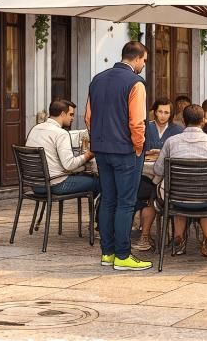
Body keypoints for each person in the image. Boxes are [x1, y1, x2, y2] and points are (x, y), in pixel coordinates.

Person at [85, 41, 152, 271]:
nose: (144, 64)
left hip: (101, 149)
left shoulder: (97, 79)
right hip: (125, 150)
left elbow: (88, 117)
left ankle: (108, 253)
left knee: (108, 199)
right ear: (137, 58)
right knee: (126, 202)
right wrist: (138, 147)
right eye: (144, 60)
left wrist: (98, 140)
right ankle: (123, 255)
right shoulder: (136, 83)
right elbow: (137, 122)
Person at [153, 104, 207, 258]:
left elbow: (158, 170)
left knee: (179, 192)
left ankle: (179, 238)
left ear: (183, 121)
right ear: (203, 121)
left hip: (177, 200)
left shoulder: (171, 142)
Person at [133, 98, 183, 252]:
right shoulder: (146, 128)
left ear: (171, 114)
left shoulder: (178, 130)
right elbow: (139, 148)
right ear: (154, 111)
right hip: (147, 174)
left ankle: (149, 235)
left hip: (172, 178)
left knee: (153, 194)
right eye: (160, 111)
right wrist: (149, 152)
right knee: (148, 191)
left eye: (166, 112)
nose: (162, 115)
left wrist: (160, 153)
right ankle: (145, 235)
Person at [26, 99, 99, 196]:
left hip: (36, 185)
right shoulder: (60, 133)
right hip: (55, 185)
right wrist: (89, 154)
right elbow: (69, 165)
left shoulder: (35, 128)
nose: (72, 118)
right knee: (100, 182)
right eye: (71, 114)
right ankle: (103, 211)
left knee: (84, 175)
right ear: (62, 114)